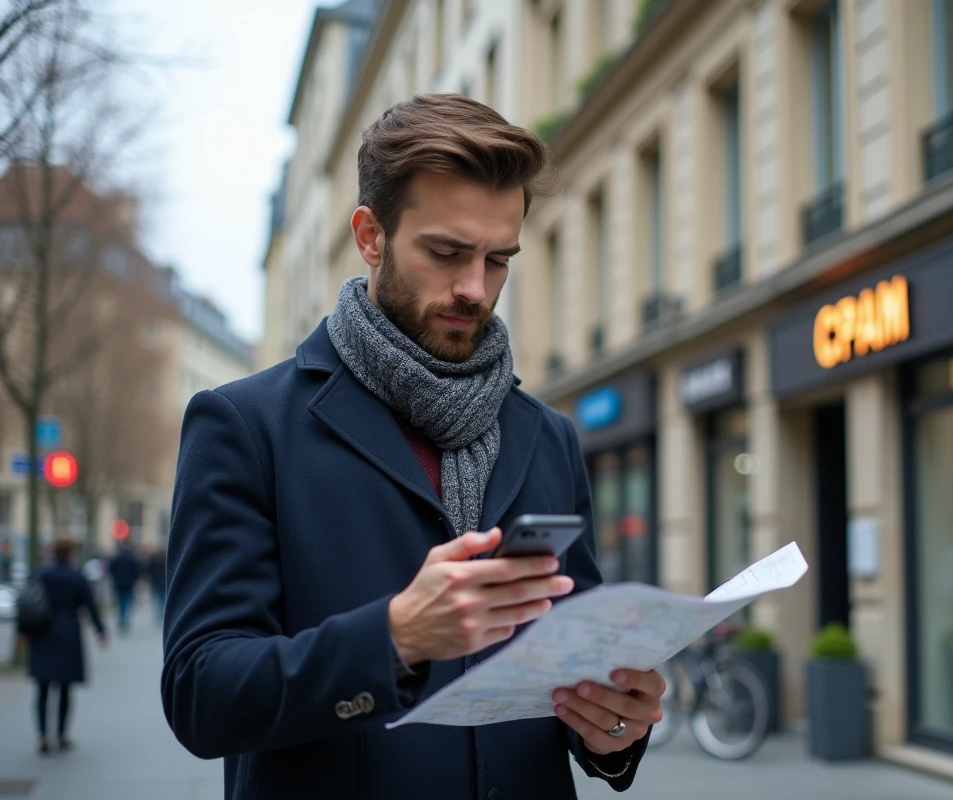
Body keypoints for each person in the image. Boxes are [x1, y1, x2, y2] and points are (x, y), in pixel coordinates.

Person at [162, 94, 663, 799]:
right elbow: (200, 695)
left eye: (498, 260)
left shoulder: (547, 435)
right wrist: (393, 637)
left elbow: (575, 673)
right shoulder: (245, 426)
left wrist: (612, 729)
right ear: (371, 236)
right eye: (446, 252)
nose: (474, 288)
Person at [24, 537, 106, 753]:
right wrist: (101, 631)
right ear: (71, 553)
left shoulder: (41, 574)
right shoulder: (76, 576)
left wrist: (22, 632)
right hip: (68, 632)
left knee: (42, 688)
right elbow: (90, 605)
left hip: (42, 633)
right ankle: (62, 735)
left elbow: (26, 602)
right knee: (65, 688)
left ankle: (42, 736)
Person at [107, 543, 140, 633]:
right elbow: (136, 570)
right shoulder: (131, 558)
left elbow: (110, 569)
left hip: (118, 583)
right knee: (127, 601)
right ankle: (124, 618)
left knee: (121, 601)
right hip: (129, 583)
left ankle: (122, 617)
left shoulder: (116, 558)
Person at [143, 546, 166, 621]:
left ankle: (159, 612)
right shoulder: (165, 560)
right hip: (163, 581)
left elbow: (148, 570)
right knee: (163, 597)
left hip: (155, 581)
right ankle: (162, 611)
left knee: (157, 597)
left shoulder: (153, 560)